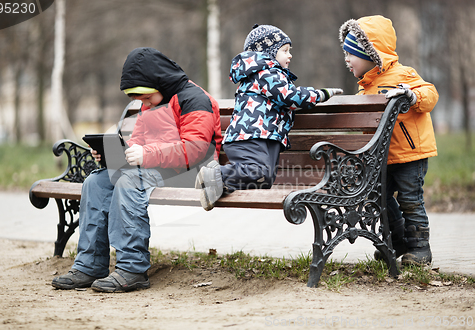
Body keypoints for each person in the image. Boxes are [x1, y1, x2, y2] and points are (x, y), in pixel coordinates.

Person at [52, 47, 222, 292]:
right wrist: (113, 153)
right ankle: (90, 265)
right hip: (158, 169)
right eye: (139, 99)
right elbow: (140, 143)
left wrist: (146, 155)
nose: (143, 104)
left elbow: (196, 149)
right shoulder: (151, 103)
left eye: (146, 98)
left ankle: (133, 269)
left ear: (160, 82)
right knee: (96, 182)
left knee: (129, 181)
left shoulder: (194, 99)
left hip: (192, 173)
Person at [196, 24, 343, 211]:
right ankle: (216, 176)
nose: (290, 55)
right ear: (268, 52)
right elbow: (291, 97)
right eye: (285, 50)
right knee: (258, 172)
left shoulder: (260, 74)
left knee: (264, 179)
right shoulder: (267, 73)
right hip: (252, 136)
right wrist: (321, 94)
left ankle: (217, 185)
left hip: (260, 138)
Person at [339, 15, 439, 265]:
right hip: (381, 158)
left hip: (409, 154)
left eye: (350, 54)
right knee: (378, 197)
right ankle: (398, 240)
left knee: (410, 199)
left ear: (369, 53)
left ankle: (419, 249)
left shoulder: (403, 74)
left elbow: (430, 94)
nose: (346, 60)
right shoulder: (364, 89)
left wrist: (411, 95)